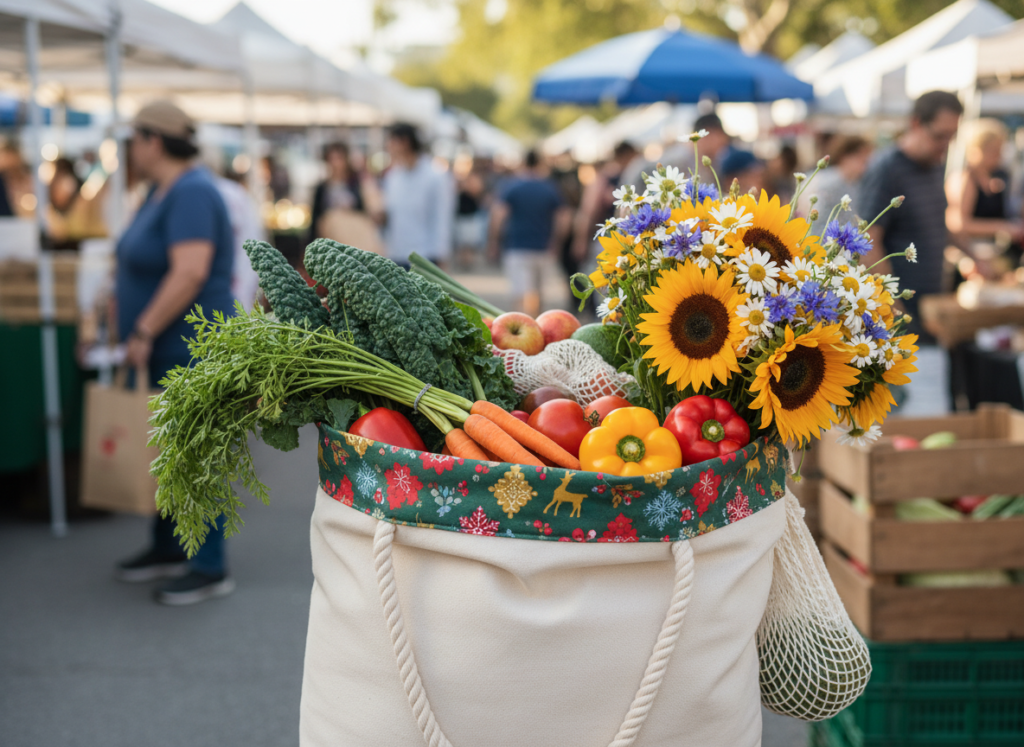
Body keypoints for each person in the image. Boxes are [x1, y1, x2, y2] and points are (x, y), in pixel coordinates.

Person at [112, 101, 237, 605]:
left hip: (190, 345)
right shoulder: (161, 191)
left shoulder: (191, 192)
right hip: (168, 344)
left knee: (195, 453)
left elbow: (189, 271)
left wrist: (143, 328)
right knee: (168, 450)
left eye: (134, 138)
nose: (130, 148)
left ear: (153, 141)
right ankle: (167, 546)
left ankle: (209, 565)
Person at [860, 90, 964, 343]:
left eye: (952, 137)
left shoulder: (934, 165)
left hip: (932, 305)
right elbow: (869, 242)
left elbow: (939, 223)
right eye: (940, 136)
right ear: (916, 123)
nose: (945, 144)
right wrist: (895, 309)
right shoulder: (887, 169)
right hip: (902, 314)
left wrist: (974, 257)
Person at [486, 150, 572, 316]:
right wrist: (557, 242)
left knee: (520, 293)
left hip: (517, 246)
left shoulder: (512, 187)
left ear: (523, 163)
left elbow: (498, 216)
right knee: (537, 293)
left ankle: (520, 326)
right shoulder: (550, 188)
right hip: (543, 247)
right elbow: (564, 218)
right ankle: (535, 326)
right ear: (540, 164)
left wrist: (493, 242)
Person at [945, 119, 1024, 272]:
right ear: (976, 149)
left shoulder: (995, 177)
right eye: (994, 151)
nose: (999, 156)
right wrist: (1002, 227)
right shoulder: (964, 179)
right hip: (970, 256)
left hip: (993, 254)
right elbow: (958, 224)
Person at [379, 123, 453, 268]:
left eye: (391, 141)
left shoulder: (435, 176)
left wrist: (441, 255)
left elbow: (441, 219)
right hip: (396, 256)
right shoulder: (393, 176)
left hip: (425, 257)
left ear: (405, 142)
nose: (388, 146)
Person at [572, 142, 637, 264]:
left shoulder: (623, 176)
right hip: (605, 238)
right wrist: (581, 241)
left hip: (622, 238)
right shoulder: (605, 179)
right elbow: (588, 212)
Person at [798, 135, 873, 235]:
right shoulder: (833, 183)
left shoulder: (850, 182)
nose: (866, 168)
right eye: (864, 161)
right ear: (846, 157)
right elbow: (815, 223)